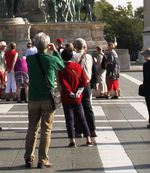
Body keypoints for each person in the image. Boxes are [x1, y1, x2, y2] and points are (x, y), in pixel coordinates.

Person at [24, 32, 63, 169]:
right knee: (46, 130)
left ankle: (28, 157)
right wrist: (55, 51)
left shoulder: (29, 59)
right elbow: (61, 65)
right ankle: (42, 159)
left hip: (33, 98)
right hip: (47, 98)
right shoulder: (52, 59)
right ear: (47, 45)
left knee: (32, 129)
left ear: (35, 44)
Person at [57, 47, 91, 147]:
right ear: (72, 56)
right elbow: (84, 81)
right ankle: (88, 139)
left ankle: (72, 140)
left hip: (67, 98)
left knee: (69, 119)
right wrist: (79, 92)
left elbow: (63, 84)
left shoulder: (62, 69)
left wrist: (70, 93)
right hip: (77, 98)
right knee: (81, 117)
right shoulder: (78, 66)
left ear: (62, 57)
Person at [71, 39, 97, 138]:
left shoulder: (73, 57)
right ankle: (92, 129)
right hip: (87, 84)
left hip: (77, 84)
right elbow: (93, 70)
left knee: (77, 107)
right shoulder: (90, 56)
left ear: (75, 46)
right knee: (88, 106)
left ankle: (79, 130)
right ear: (84, 46)